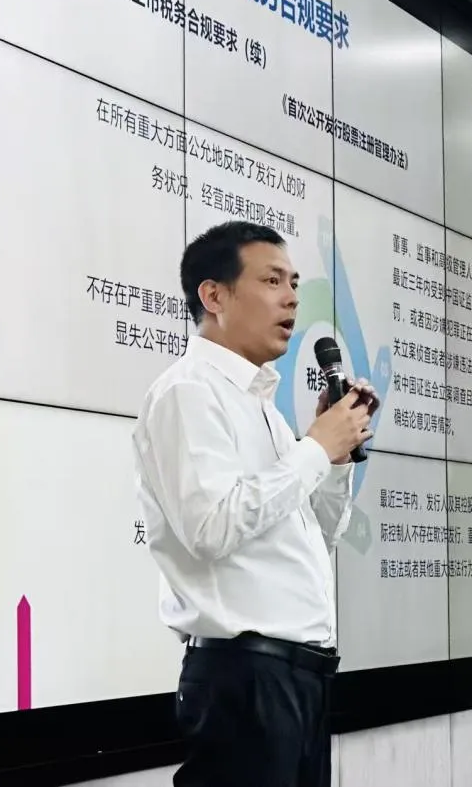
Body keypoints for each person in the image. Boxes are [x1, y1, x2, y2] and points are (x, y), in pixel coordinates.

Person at [133, 220, 377, 787]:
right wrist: (315, 448)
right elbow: (211, 527)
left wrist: (334, 457)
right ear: (214, 296)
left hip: (298, 679)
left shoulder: (261, 406)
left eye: (293, 282)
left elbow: (312, 537)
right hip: (244, 679)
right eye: (272, 281)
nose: (291, 297)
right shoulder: (188, 392)